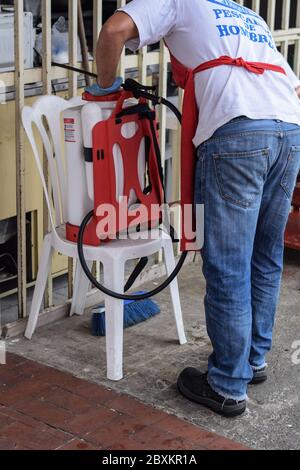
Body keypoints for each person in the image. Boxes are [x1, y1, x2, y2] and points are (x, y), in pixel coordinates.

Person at [86, 0, 300, 417]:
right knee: (264, 256)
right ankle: (251, 361)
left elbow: (113, 32)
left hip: (238, 133)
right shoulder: (246, 14)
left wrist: (105, 89)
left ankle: (226, 385)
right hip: (289, 131)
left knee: (228, 264)